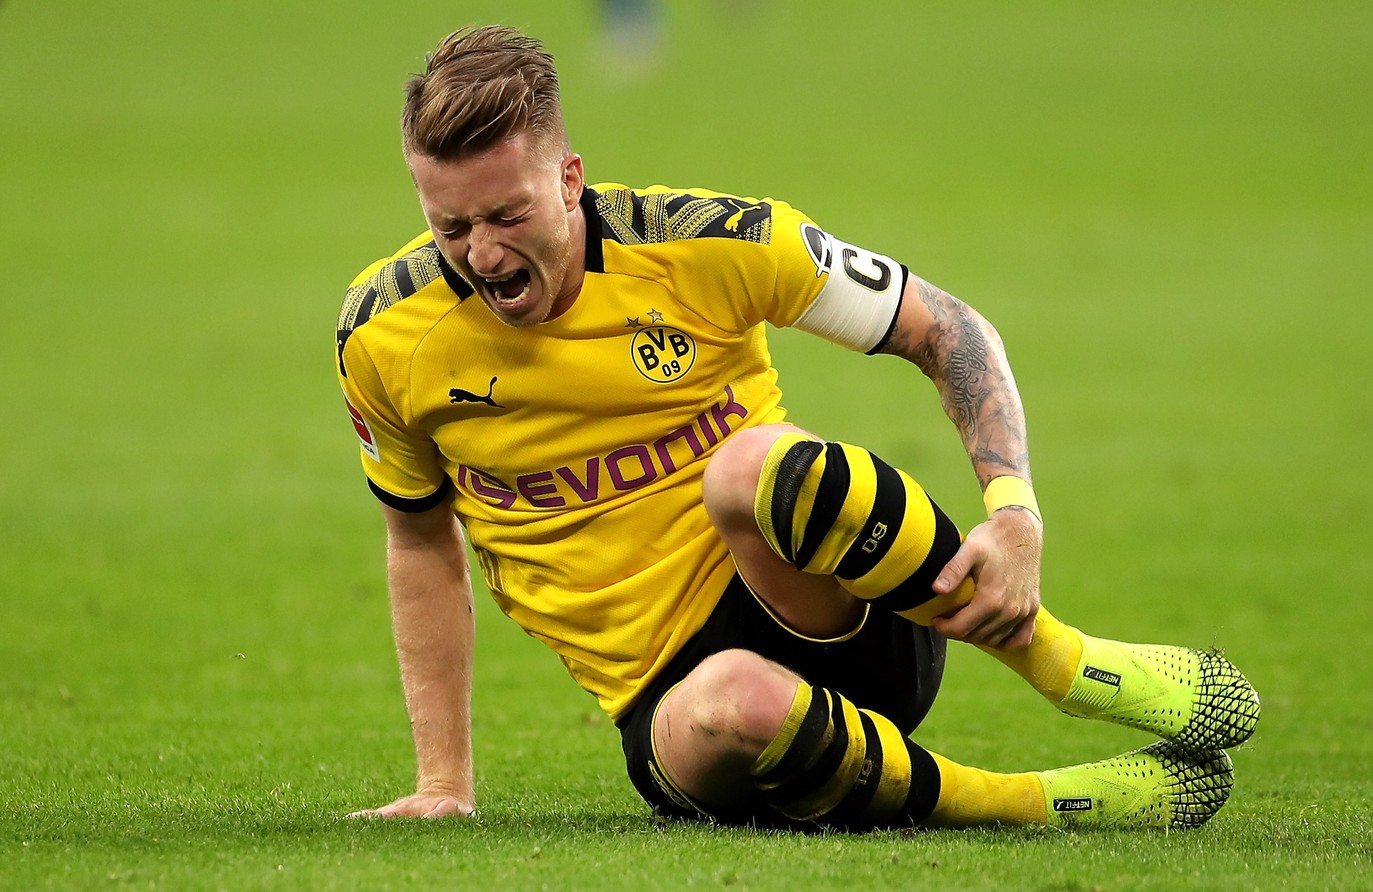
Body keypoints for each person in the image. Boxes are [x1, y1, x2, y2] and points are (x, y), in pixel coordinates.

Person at [334, 25, 1259, 831]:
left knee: (748, 467)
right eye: (450, 225)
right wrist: (443, 782)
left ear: (570, 177)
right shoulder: (384, 334)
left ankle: (1064, 663)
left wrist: (1015, 516)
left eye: (507, 213)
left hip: (839, 613)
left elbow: (951, 330)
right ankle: (1039, 804)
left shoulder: (703, 243)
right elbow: (418, 541)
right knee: (738, 698)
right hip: (673, 706)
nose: (483, 253)